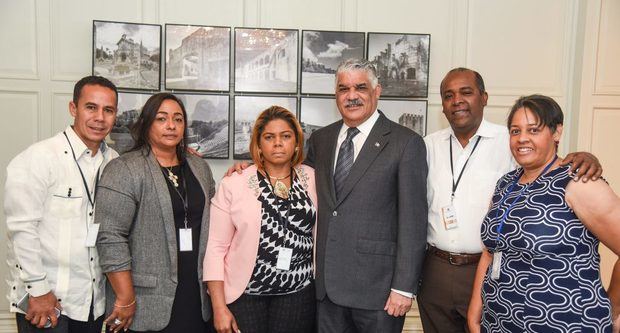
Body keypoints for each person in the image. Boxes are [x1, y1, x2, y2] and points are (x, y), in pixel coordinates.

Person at [417, 68, 603, 333]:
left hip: (490, 271)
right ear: (443, 106)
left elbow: (549, 163)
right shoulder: (426, 146)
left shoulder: (511, 140)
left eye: (466, 92)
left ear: (484, 97)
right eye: (448, 95)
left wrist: (585, 156)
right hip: (436, 270)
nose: (457, 100)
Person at [467, 94, 620, 332]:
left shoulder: (579, 182)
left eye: (534, 130)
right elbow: (490, 252)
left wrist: (612, 308)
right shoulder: (506, 184)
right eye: (515, 131)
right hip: (499, 322)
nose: (522, 139)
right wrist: (474, 316)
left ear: (556, 132)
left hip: (565, 324)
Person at [307, 58, 428, 332]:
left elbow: (413, 222)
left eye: (360, 87)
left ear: (377, 91)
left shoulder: (406, 143)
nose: (351, 96)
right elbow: (299, 184)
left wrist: (404, 288)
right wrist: (248, 171)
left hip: (379, 293)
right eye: (343, 89)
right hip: (327, 290)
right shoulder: (320, 141)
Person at [5, 76, 119, 332]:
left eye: (108, 110)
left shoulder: (115, 162)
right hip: (47, 302)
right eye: (91, 107)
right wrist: (39, 290)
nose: (100, 117)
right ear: (73, 108)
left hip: (92, 302)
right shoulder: (39, 158)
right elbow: (21, 230)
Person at [95, 93, 215, 332]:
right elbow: (110, 236)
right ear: (147, 123)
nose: (171, 125)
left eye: (178, 119)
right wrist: (125, 297)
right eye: (162, 119)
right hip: (145, 300)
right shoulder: (124, 169)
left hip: (196, 295)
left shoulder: (199, 167)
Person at [204, 106, 318, 333]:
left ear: (296, 142)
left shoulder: (313, 178)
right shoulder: (235, 183)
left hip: (298, 296)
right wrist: (218, 307)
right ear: (258, 144)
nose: (278, 143)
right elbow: (215, 248)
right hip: (245, 296)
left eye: (285, 136)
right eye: (269, 137)